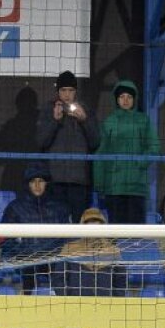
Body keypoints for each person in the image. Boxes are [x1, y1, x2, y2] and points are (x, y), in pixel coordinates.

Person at [93, 79, 159, 224]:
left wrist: (140, 162)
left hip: (137, 186)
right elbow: (100, 154)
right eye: (122, 96)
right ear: (116, 99)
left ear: (134, 99)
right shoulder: (109, 121)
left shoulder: (144, 121)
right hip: (114, 186)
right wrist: (99, 184)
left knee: (136, 237)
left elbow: (154, 147)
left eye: (129, 97)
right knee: (116, 233)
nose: (125, 100)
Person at [37, 70, 100, 223]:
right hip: (55, 181)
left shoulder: (85, 111)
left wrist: (84, 120)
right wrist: (55, 121)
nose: (67, 94)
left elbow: (95, 142)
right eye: (63, 90)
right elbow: (40, 142)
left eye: (70, 90)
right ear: (58, 92)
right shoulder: (48, 111)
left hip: (78, 181)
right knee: (56, 225)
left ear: (76, 92)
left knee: (79, 226)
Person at [53, 207, 125, 296]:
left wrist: (115, 303)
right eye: (89, 222)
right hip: (75, 305)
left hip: (106, 305)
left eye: (96, 221)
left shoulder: (113, 251)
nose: (93, 225)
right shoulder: (69, 248)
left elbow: (120, 281)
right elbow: (58, 279)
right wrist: (67, 300)